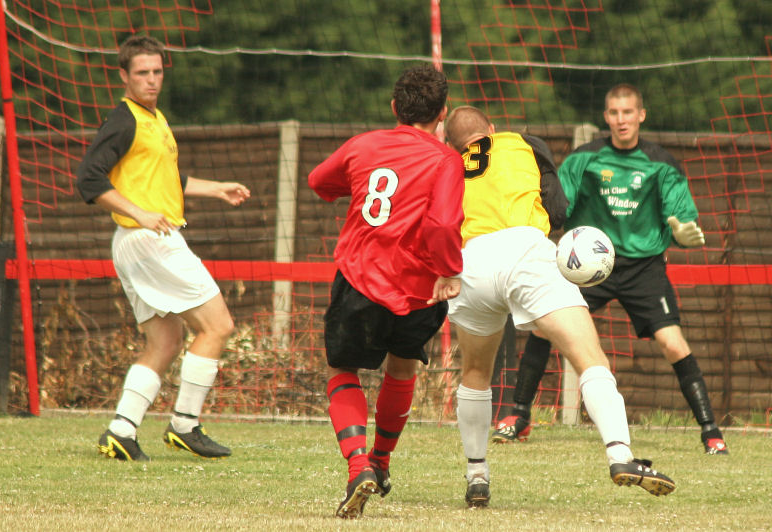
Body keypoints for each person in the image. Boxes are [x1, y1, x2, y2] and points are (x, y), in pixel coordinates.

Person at [443, 105, 676, 508]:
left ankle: (477, 475)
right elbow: (557, 210)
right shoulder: (524, 144)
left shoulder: (446, 165)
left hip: (469, 261)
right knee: (590, 358)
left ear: (452, 145)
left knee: (476, 372)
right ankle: (621, 455)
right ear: (492, 130)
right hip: (523, 251)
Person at [492, 84, 729, 456]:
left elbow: (681, 215)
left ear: (641, 115)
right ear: (606, 117)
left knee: (672, 342)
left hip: (643, 266)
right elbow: (560, 205)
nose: (621, 120)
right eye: (614, 113)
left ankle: (711, 431)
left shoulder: (661, 163)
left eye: (628, 113)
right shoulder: (584, 159)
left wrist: (682, 231)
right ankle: (518, 415)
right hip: (587, 266)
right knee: (543, 329)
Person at [76, 34, 251, 461]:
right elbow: (89, 180)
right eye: (142, 73)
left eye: (157, 72)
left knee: (166, 340)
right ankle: (185, 425)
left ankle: (120, 430)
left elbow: (168, 179)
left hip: (138, 241)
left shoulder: (153, 118)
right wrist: (140, 213)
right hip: (150, 240)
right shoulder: (124, 120)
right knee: (217, 326)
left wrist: (216, 189)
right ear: (124, 76)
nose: (152, 80)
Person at [308, 64, 465, 519]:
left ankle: (359, 466)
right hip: (420, 288)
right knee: (402, 368)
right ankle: (381, 459)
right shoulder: (446, 159)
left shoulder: (365, 144)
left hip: (361, 277)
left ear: (394, 108)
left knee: (342, 368)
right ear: (442, 114)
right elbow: (440, 223)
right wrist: (450, 270)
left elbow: (320, 182)